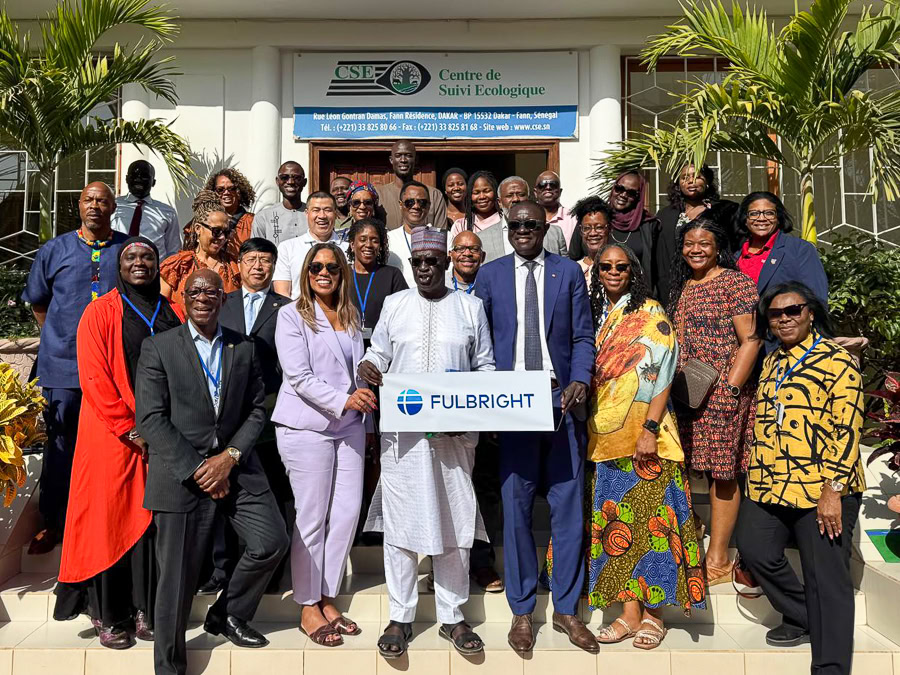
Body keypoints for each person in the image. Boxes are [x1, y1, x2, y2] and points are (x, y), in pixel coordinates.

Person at [135, 269, 289, 675]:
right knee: (177, 579)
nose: (204, 297)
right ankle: (169, 666)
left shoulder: (245, 347)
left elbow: (259, 407)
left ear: (224, 299)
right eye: (195, 291)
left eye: (212, 291)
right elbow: (150, 419)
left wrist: (230, 457)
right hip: (181, 475)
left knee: (271, 540)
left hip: (236, 468)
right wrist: (200, 468)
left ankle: (226, 613)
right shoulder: (159, 347)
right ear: (184, 298)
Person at [359, 227, 495, 659]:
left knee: (455, 523)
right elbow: (378, 353)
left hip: (455, 440)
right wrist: (367, 366)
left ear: (447, 262)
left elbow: (486, 367)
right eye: (418, 262)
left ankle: (453, 615)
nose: (424, 269)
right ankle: (401, 615)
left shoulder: (471, 307)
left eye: (433, 262)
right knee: (400, 527)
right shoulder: (395, 305)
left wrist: (470, 415)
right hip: (406, 437)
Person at [563, 244, 705, 649]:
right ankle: (627, 614)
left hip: (647, 438)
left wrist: (648, 428)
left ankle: (654, 616)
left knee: (654, 527)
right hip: (603, 438)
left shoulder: (651, 313)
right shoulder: (595, 314)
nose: (612, 271)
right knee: (617, 526)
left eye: (621, 266)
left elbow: (661, 377)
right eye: (605, 266)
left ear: (634, 271)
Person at [475, 200, 597, 654]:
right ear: (507, 229)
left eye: (532, 223)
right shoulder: (490, 275)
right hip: (511, 407)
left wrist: (580, 379)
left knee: (567, 511)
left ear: (545, 226)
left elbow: (583, 335)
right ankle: (522, 611)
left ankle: (566, 609)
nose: (524, 230)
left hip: (558, 401)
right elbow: (480, 338)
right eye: (517, 224)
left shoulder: (567, 273)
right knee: (517, 508)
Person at [55, 237, 184, 648]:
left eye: (148, 256)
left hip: (159, 437)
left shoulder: (172, 312)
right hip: (114, 437)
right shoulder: (100, 312)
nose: (141, 262)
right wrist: (130, 427)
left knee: (149, 527)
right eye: (131, 257)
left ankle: (144, 610)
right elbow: (94, 377)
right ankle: (109, 614)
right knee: (108, 522)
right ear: (118, 265)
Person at [738, 282, 864, 674]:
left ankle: (830, 666)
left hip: (824, 488)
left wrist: (834, 489)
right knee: (754, 548)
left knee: (827, 581)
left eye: (793, 311)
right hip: (771, 484)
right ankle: (810, 616)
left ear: (810, 312)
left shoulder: (837, 361)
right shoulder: (775, 360)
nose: (785, 319)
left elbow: (848, 429)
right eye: (776, 314)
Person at [272, 242, 375, 646]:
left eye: (332, 266)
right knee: (312, 517)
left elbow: (359, 369)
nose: (324, 272)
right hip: (307, 427)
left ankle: (328, 594)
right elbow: (298, 376)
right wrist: (343, 400)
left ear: (342, 272)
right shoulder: (290, 316)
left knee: (347, 513)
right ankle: (307, 604)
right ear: (305, 272)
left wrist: (364, 397)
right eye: (316, 266)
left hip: (350, 425)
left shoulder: (351, 316)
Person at [22, 182, 129, 554]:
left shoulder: (126, 250)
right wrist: (62, 337)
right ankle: (53, 522)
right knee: (60, 443)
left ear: (114, 207)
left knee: (112, 447)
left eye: (103, 200)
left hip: (113, 370)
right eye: (88, 199)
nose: (95, 206)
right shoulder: (55, 250)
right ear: (79, 205)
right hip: (64, 365)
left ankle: (104, 521)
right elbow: (38, 303)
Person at [669, 218, 760, 586]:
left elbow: (751, 340)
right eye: (689, 243)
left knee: (723, 474)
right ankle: (695, 531)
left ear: (717, 246)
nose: (695, 249)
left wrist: (731, 389)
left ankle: (718, 557)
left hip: (724, 392)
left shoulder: (734, 282)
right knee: (692, 468)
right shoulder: (686, 285)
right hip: (689, 393)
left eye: (703, 243)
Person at [200, 237, 292, 595]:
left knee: (272, 489)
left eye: (265, 261)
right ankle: (221, 569)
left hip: (268, 414)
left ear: (273, 266)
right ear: (238, 264)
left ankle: (273, 569)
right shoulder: (221, 304)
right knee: (223, 491)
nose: (258, 266)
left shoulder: (287, 308)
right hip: (224, 415)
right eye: (251, 259)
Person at [446, 230, 504, 594]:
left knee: (484, 483)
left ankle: (481, 561)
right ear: (451, 255)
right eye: (461, 249)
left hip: (483, 400)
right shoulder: (433, 288)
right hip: (442, 405)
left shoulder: (496, 286)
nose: (468, 254)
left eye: (474, 250)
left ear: (482, 256)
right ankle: (443, 562)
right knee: (444, 484)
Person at [735, 191, 829, 340]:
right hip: (743, 345)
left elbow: (817, 299)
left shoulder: (799, 250)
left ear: (778, 218)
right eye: (754, 213)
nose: (761, 218)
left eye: (769, 213)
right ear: (745, 219)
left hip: (785, 342)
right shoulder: (735, 257)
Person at [655, 164, 737, 303]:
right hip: (675, 286)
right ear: (678, 184)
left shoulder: (725, 211)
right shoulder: (665, 215)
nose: (691, 181)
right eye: (684, 177)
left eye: (697, 177)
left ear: (708, 182)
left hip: (713, 284)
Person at [570, 171, 657, 288]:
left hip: (634, 293)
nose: (623, 195)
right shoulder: (593, 218)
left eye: (631, 192)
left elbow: (655, 269)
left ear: (639, 196)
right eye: (619, 188)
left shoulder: (648, 225)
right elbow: (574, 256)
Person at [160, 190, 242, 309]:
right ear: (198, 228)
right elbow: (161, 308)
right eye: (217, 231)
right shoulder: (177, 266)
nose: (222, 237)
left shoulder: (234, 267)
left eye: (226, 232)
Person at [272, 191, 348, 300]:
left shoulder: (348, 249)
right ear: (306, 213)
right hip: (298, 314)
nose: (322, 216)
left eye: (327, 210)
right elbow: (282, 293)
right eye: (316, 210)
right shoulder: (288, 248)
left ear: (335, 214)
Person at [476, 176, 567, 262]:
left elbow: (565, 268)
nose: (515, 199)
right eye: (509, 195)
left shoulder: (554, 233)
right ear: (499, 202)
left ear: (529, 198)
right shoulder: (482, 238)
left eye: (521, 194)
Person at [345, 218, 408, 338]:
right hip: (347, 346)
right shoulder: (341, 273)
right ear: (352, 245)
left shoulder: (392, 275)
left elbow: (403, 315)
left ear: (380, 246)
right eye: (362, 239)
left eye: (374, 240)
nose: (368, 245)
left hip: (382, 348)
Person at [112, 160, 181, 259]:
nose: (138, 180)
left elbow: (173, 251)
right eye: (134, 176)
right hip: (117, 270)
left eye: (144, 176)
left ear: (153, 182)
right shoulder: (113, 206)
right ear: (127, 179)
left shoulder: (168, 212)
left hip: (155, 271)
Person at [376, 140, 447, 230]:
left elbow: (440, 234)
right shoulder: (378, 195)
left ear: (416, 160)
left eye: (408, 155)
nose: (403, 160)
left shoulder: (434, 195)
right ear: (391, 160)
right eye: (398, 155)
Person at [385, 180, 432, 287]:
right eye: (409, 202)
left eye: (422, 202)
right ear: (401, 205)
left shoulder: (444, 237)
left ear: (428, 206)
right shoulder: (388, 239)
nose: (416, 206)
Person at [251, 162, 308, 245]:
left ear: (304, 182)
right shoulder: (263, 217)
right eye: (284, 177)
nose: (290, 182)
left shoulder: (314, 215)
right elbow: (257, 251)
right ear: (277, 181)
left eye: (297, 178)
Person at [207, 168, 256, 250]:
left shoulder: (252, 221)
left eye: (231, 189)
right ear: (213, 192)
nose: (226, 193)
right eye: (220, 189)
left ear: (239, 192)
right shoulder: (204, 220)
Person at [570, 196, 612, 283]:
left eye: (599, 227)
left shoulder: (620, 267)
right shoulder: (572, 269)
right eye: (587, 228)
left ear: (609, 229)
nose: (593, 233)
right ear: (581, 231)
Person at [450, 170, 501, 238]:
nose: (482, 196)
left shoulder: (505, 221)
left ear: (495, 192)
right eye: (476, 193)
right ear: (470, 196)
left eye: (486, 191)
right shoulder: (461, 226)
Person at [533, 170, 577, 247]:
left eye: (553, 184)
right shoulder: (528, 217)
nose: (548, 188)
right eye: (542, 185)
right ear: (535, 192)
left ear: (560, 191)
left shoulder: (573, 218)